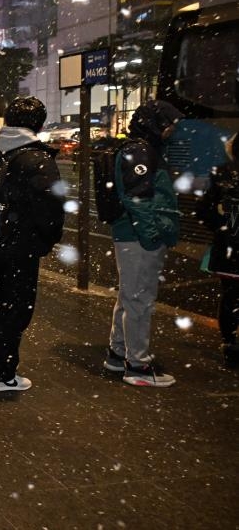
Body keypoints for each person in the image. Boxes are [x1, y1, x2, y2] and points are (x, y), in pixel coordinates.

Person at [0, 97, 64, 392]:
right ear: (38, 124)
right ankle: (3, 374)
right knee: (16, 309)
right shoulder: (38, 159)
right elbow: (51, 208)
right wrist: (47, 240)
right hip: (21, 248)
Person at [103, 99, 183, 387]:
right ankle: (138, 366)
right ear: (155, 123)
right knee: (139, 299)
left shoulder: (143, 148)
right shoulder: (140, 150)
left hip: (132, 233)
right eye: (169, 125)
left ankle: (118, 353)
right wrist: (151, 235)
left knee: (130, 295)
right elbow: (137, 198)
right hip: (137, 235)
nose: (171, 131)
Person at [197, 133, 239, 367]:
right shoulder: (222, 173)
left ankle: (230, 344)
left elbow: (203, 208)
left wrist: (224, 228)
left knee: (231, 296)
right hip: (230, 243)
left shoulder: (222, 172)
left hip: (230, 247)